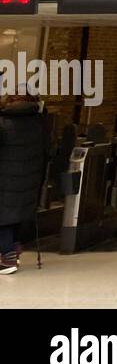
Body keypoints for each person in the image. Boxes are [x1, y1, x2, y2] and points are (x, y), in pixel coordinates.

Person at [0, 90, 49, 275]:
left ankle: (7, 259)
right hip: (30, 179)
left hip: (4, 179)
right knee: (15, 215)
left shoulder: (3, 121)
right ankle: (14, 249)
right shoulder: (39, 123)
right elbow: (47, 151)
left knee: (3, 218)